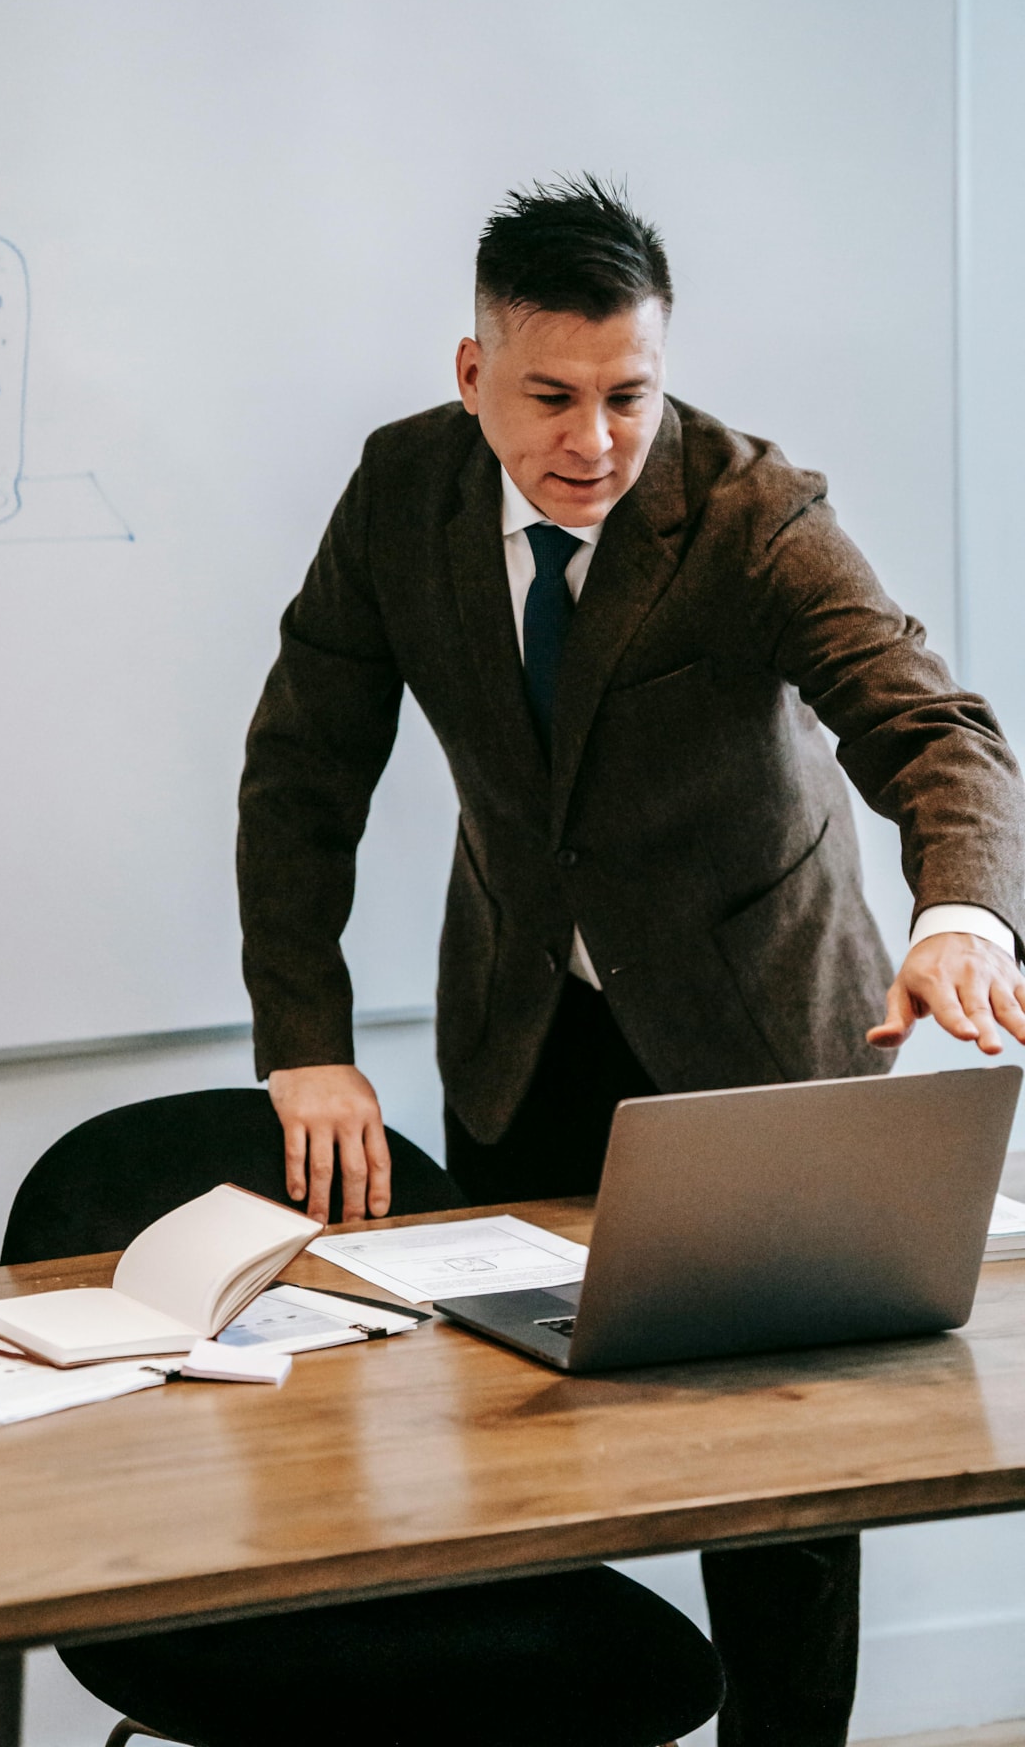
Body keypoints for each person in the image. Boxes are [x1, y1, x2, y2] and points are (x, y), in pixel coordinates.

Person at [236, 176, 1025, 1747]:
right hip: (531, 1026)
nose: (593, 439)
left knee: (784, 1488)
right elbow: (302, 771)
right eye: (552, 397)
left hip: (760, 1028)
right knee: (517, 1436)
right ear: (474, 379)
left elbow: (930, 727)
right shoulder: (403, 494)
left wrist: (963, 916)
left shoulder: (750, 510)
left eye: (628, 395)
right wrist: (304, 1037)